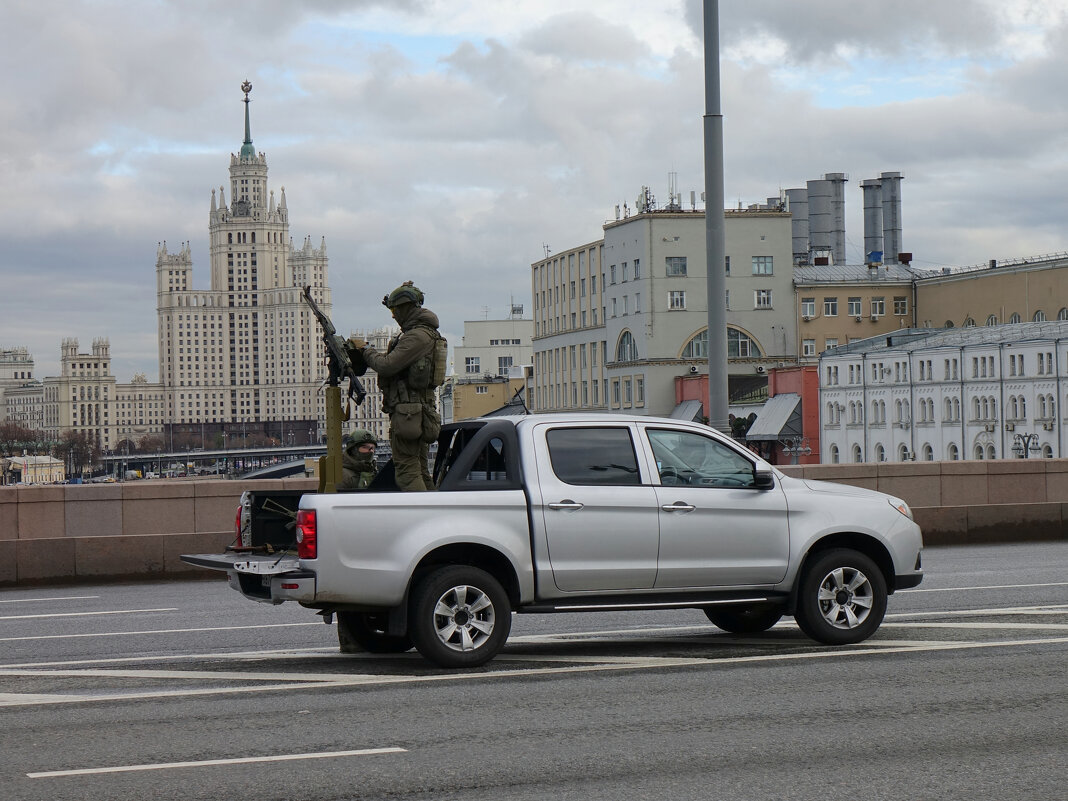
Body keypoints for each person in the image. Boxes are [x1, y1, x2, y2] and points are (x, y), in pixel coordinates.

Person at [357, 281, 444, 491]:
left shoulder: (417, 336)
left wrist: (366, 349)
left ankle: (422, 515)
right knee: (420, 469)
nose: (393, 316)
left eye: (395, 310)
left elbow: (386, 366)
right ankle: (435, 511)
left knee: (407, 471)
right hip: (417, 412)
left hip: (408, 414)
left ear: (406, 308)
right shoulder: (423, 333)